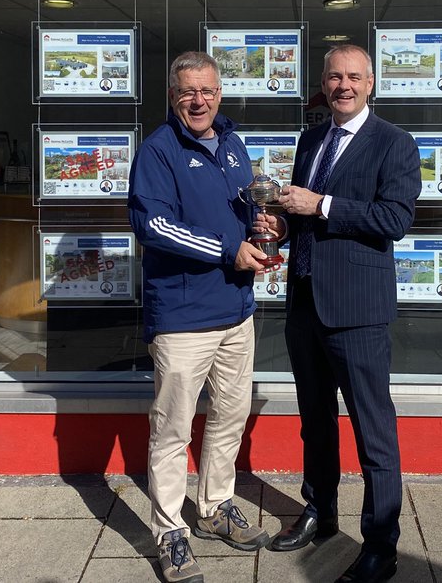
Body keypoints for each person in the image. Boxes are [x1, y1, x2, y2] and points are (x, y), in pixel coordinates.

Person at [257, 43, 420, 583]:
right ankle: (319, 511)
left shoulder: (395, 144)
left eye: (353, 77)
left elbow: (393, 219)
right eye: (333, 77)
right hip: (304, 302)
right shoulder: (312, 137)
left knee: (374, 431)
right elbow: (301, 212)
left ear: (370, 83)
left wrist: (320, 205)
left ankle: (381, 545)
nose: (343, 86)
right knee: (315, 423)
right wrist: (282, 226)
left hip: (357, 309)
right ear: (323, 84)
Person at [127, 51, 273, 583]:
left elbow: (242, 210)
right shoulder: (158, 152)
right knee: (172, 429)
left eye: (208, 91)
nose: (199, 101)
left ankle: (215, 508)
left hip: (236, 310)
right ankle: (170, 532)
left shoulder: (232, 145)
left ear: (219, 94)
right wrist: (225, 252)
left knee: (230, 417)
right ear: (173, 96)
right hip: (184, 316)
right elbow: (155, 227)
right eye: (189, 92)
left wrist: (261, 228)